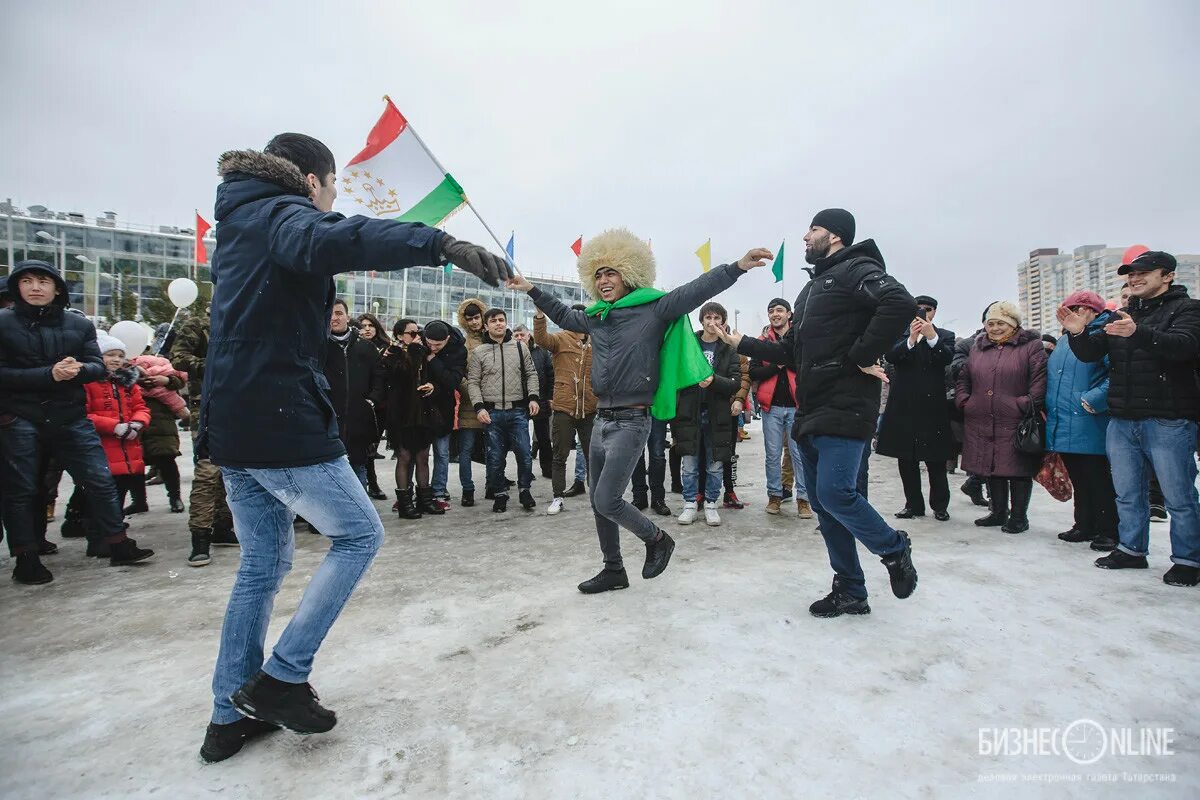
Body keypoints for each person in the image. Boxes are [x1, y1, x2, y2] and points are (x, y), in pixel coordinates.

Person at [198, 132, 509, 764]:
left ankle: (228, 714)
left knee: (261, 566)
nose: (333, 198)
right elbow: (329, 237)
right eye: (332, 186)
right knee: (360, 534)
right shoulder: (283, 213)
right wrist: (437, 241)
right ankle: (283, 678)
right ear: (310, 181)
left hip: (234, 419)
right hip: (280, 416)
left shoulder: (239, 223)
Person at [508, 227, 772, 594]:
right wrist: (532, 290)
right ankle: (613, 569)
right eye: (598, 273)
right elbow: (566, 317)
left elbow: (695, 290)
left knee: (606, 498)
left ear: (629, 274)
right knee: (601, 505)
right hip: (602, 419)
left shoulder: (655, 308)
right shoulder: (596, 317)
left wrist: (737, 267)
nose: (603, 280)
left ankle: (657, 539)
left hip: (633, 421)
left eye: (611, 272)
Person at [723, 209, 918, 618]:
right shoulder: (810, 291)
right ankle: (851, 589)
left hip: (846, 403)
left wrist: (860, 355)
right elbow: (789, 352)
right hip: (811, 407)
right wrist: (742, 342)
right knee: (825, 506)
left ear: (834, 235)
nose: (805, 235)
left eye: (812, 229)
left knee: (835, 493)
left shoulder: (856, 268)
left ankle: (894, 547)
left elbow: (899, 303)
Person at [0, 260, 154, 584]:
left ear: (57, 287)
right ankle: (25, 556)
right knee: (23, 489)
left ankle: (118, 543)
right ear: (17, 288)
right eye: (27, 281)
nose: (36, 287)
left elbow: (98, 366)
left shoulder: (78, 325)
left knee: (100, 479)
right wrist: (48, 374)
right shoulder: (3, 323)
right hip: (21, 416)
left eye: (43, 281)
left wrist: (79, 370)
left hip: (70, 415)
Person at [1061, 251, 1200, 586]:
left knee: (1178, 495)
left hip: (1168, 418)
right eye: (1130, 275)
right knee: (1127, 491)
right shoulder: (1125, 313)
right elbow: (1093, 353)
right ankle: (1131, 549)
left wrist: (1137, 332)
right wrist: (1078, 334)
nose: (1134, 280)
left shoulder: (1188, 309)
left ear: (1167, 275)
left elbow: (1185, 346)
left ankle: (1188, 559)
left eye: (1142, 273)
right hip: (1123, 418)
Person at [956, 301, 1047, 534]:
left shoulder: (1031, 346)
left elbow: (1039, 381)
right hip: (981, 416)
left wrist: (1023, 404)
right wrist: (965, 401)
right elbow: (964, 377)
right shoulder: (978, 347)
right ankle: (997, 512)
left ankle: (1018, 517)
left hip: (1015, 418)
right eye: (991, 323)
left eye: (1001, 324)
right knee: (990, 466)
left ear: (1014, 324)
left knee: (1017, 468)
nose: (995, 328)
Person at [1045, 291, 1118, 549]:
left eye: (1083, 308)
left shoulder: (1104, 336)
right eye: (1071, 308)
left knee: (1098, 478)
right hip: (1064, 420)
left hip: (1091, 419)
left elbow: (1117, 373)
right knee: (1079, 477)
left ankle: (1108, 529)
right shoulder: (1065, 341)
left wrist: (1093, 400)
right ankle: (1084, 524)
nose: (1076, 312)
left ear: (1097, 312)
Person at [876, 295, 957, 521]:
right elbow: (891, 357)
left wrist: (931, 337)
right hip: (903, 405)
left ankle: (940, 506)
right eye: (918, 309)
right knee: (906, 459)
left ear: (934, 312)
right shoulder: (899, 333)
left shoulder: (945, 336)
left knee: (936, 460)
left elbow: (947, 359)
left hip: (933, 407)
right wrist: (911, 339)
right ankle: (913, 505)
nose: (923, 313)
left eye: (928, 309)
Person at [171, 306, 238, 567]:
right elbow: (178, 357)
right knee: (208, 471)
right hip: (208, 404)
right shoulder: (199, 324)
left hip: (242, 403)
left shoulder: (247, 320)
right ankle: (200, 536)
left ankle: (223, 525)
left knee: (232, 470)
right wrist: (213, 365)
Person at [674, 302, 742, 526]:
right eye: (708, 318)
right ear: (702, 319)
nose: (712, 323)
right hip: (690, 411)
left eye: (717, 318)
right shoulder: (689, 343)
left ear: (723, 322)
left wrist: (714, 381)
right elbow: (677, 375)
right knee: (690, 463)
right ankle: (690, 503)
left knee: (715, 463)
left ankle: (711, 504)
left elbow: (735, 383)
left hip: (718, 415)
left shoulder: (729, 348)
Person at [467, 309, 539, 512]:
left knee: (524, 454)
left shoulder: (519, 347)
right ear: (487, 325)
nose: (498, 324)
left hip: (518, 411)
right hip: (492, 414)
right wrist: (479, 407)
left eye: (501, 320)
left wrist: (533, 397)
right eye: (494, 321)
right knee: (495, 457)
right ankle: (499, 494)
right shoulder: (479, 352)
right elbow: (473, 382)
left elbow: (531, 374)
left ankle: (525, 490)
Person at [373, 318, 444, 518]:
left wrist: (432, 386)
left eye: (417, 332)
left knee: (422, 457)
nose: (416, 337)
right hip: (401, 413)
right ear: (398, 335)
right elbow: (402, 374)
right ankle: (405, 504)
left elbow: (434, 377)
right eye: (411, 333)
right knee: (404, 457)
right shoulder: (392, 354)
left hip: (422, 411)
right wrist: (413, 350)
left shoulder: (423, 353)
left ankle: (425, 500)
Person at [533, 304, 597, 515]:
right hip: (564, 407)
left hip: (589, 407)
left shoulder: (596, 341)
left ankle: (597, 498)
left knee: (593, 456)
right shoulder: (560, 338)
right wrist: (540, 315)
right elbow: (541, 339)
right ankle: (557, 497)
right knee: (559, 455)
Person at [751, 297, 811, 517]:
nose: (775, 314)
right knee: (772, 454)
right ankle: (774, 496)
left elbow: (807, 365)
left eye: (779, 310)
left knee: (799, 454)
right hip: (772, 407)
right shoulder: (763, 341)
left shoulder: (800, 339)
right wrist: (777, 365)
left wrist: (787, 361)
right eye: (771, 311)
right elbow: (755, 371)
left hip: (797, 406)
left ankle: (804, 499)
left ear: (788, 314)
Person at [86, 333, 153, 511]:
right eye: (110, 355)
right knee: (103, 494)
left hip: (129, 447)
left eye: (121, 356)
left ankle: (116, 524)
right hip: (102, 447)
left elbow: (141, 407)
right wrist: (114, 426)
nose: (116, 360)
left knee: (121, 488)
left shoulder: (128, 383)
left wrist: (138, 422)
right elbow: (83, 415)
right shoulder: (88, 383)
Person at [324, 299, 381, 494]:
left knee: (358, 468)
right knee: (328, 472)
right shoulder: (319, 346)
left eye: (338, 313)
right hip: (328, 422)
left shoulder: (366, 347)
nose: (334, 318)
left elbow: (380, 378)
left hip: (358, 421)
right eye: (330, 313)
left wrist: (371, 401)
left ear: (347, 316)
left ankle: (359, 517)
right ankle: (325, 522)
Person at [129, 351, 189, 513]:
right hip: (134, 417)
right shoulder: (124, 362)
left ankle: (175, 498)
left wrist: (166, 380)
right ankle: (139, 501)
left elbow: (179, 379)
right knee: (135, 464)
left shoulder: (161, 363)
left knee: (166, 458)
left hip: (161, 419)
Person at [950, 302, 997, 509]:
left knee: (999, 453)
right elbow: (954, 369)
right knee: (983, 451)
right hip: (977, 405)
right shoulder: (969, 344)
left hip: (1005, 406)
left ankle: (977, 484)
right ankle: (980, 487)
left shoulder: (1020, 344)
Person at [420, 320, 467, 511]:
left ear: (447, 339)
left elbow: (452, 381)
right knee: (419, 454)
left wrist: (432, 359)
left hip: (443, 408)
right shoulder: (419, 342)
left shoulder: (459, 350)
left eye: (438, 345)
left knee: (442, 452)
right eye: (429, 343)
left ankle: (438, 491)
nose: (432, 347)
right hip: (420, 407)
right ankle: (419, 492)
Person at [455, 298, 487, 506]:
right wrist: (473, 394)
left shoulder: (492, 338)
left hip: (492, 403)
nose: (474, 322)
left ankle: (494, 484)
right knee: (465, 450)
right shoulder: (463, 344)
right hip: (469, 405)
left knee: (495, 448)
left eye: (477, 318)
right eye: (470, 319)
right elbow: (459, 373)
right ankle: (468, 489)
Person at [355, 312, 390, 500]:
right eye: (363, 325)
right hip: (359, 402)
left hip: (380, 405)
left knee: (372, 447)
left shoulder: (387, 348)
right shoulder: (353, 347)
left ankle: (372, 483)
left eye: (371, 325)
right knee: (361, 448)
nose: (367, 329)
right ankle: (368, 483)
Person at [513, 324, 554, 480]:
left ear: (528, 335)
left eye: (521, 335)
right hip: (519, 401)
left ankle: (547, 468)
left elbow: (550, 375)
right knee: (522, 440)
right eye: (516, 335)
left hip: (541, 399)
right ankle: (526, 471)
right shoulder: (511, 352)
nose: (519, 338)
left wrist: (550, 397)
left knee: (544, 438)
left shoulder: (541, 351)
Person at [720, 351, 751, 509]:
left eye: (722, 323)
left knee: (729, 452)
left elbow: (744, 377)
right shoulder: (698, 342)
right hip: (705, 406)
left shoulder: (736, 350)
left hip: (730, 407)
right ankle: (700, 493)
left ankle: (729, 491)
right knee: (702, 453)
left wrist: (739, 400)